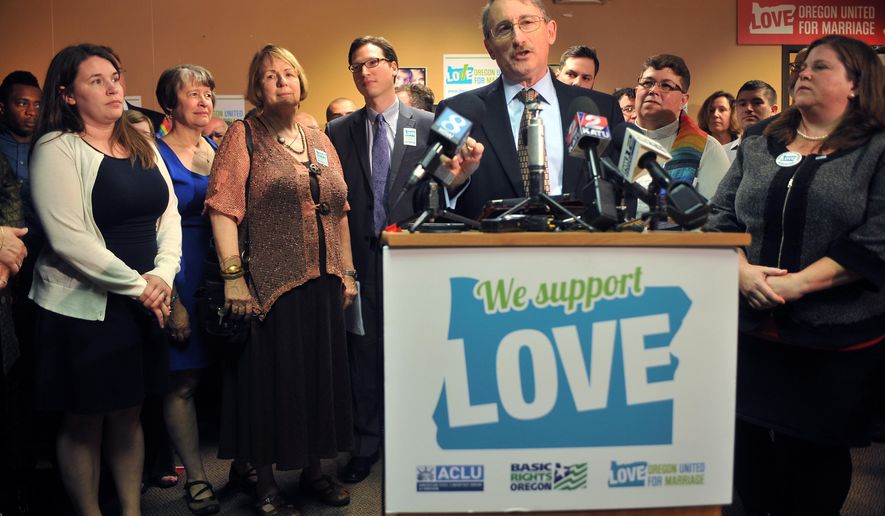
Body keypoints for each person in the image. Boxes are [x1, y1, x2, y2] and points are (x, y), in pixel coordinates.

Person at [705, 35, 885, 516]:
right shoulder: (761, 140)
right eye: (802, 65)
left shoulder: (877, 147)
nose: (802, 72)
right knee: (745, 458)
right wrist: (740, 272)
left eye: (820, 67)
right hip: (748, 329)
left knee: (811, 463)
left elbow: (877, 238)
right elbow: (720, 215)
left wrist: (795, 285)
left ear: (856, 84)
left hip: (831, 341)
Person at [28, 43, 181, 516]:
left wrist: (162, 273)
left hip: (145, 301)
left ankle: (131, 510)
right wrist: (143, 289)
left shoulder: (141, 143)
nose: (113, 86)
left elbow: (169, 215)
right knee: (85, 421)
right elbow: (69, 238)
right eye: (97, 80)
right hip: (84, 308)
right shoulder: (57, 147)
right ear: (68, 95)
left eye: (115, 76)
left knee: (130, 412)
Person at [207, 44, 356, 515]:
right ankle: (266, 483)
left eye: (288, 72)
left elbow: (341, 210)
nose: (281, 81)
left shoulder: (319, 138)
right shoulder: (243, 135)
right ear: (257, 88)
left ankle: (315, 471)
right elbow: (223, 208)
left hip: (325, 281)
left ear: (301, 80)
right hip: (271, 284)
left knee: (317, 380)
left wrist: (348, 271)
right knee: (272, 384)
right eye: (270, 76)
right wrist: (234, 278)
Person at [326, 34, 435, 485]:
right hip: (361, 255)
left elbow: (440, 190)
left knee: (417, 351)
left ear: (394, 67)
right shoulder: (337, 131)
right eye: (356, 66)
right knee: (363, 353)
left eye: (372, 62)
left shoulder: (429, 123)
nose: (365, 72)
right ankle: (365, 444)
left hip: (412, 256)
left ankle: (417, 439)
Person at [438, 0, 623, 220]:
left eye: (527, 22)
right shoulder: (457, 112)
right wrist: (452, 182)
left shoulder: (600, 109)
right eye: (504, 28)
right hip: (491, 250)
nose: (518, 38)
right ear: (489, 47)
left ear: (551, 32)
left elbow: (623, 192)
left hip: (583, 250)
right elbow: (423, 197)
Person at [155, 64, 221, 515]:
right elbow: (152, 229)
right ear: (169, 104)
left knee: (229, 372)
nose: (203, 102)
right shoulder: (153, 152)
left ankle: (245, 468)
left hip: (222, 271)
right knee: (183, 380)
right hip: (179, 271)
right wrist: (172, 299)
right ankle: (196, 478)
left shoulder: (217, 148)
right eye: (193, 94)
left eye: (208, 94)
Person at [632, 54, 730, 200]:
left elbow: (717, 216)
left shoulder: (708, 149)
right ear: (636, 91)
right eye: (647, 83)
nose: (653, 90)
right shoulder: (612, 142)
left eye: (666, 85)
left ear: (683, 100)